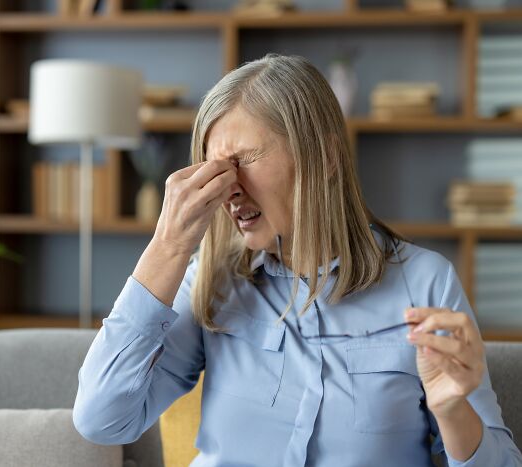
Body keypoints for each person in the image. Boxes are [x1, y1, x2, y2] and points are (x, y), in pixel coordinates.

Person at [72, 53, 522, 466]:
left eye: (244, 159)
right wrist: (167, 247)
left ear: (324, 156)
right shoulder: (213, 281)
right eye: (214, 169)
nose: (228, 189)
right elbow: (102, 419)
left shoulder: (424, 283)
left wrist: (453, 409)